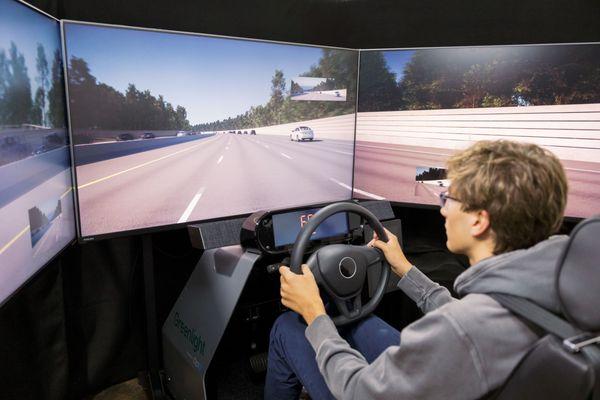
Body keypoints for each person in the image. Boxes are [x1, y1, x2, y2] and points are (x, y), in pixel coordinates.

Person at [265, 140, 569, 400]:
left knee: (289, 327)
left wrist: (315, 314)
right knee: (359, 323)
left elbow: (359, 392)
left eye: (449, 198)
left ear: (479, 220)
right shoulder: (560, 289)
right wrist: (405, 269)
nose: (442, 209)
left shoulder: (459, 330)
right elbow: (472, 321)